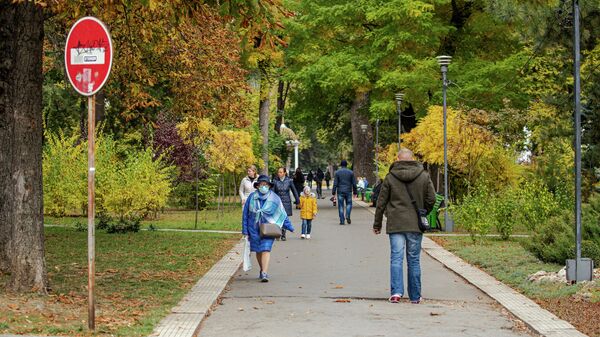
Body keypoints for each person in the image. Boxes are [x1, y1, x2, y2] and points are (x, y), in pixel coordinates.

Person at [373, 149, 436, 304]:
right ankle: (415, 296)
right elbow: (432, 198)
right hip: (415, 224)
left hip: (396, 223)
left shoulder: (390, 177)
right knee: (413, 259)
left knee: (396, 258)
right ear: (412, 158)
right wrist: (423, 211)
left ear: (397, 159)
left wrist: (377, 224)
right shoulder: (423, 176)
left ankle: (396, 293)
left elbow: (380, 203)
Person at [242, 175, 294, 282]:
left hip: (269, 229)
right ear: (257, 186)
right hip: (254, 229)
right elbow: (245, 215)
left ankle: (264, 273)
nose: (263, 187)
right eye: (261, 185)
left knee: (265, 249)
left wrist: (290, 227)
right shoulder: (251, 197)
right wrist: (245, 231)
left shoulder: (275, 198)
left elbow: (281, 214)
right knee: (258, 251)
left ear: (269, 186)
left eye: (266, 185)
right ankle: (262, 269)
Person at [271, 167, 300, 241]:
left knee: (284, 218)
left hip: (286, 202)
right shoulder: (275, 181)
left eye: (281, 172)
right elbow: (272, 192)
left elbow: (294, 191)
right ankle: (278, 232)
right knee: (277, 218)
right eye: (278, 172)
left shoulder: (289, 181)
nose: (279, 173)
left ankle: (283, 234)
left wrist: (298, 201)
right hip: (278, 202)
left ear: (284, 173)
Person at [332, 160, 357, 225]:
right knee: (349, 204)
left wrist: (333, 191)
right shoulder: (351, 172)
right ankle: (348, 215)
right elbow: (354, 183)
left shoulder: (337, 172)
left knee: (340, 206)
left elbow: (335, 183)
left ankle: (342, 220)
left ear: (341, 165)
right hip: (348, 191)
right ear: (346, 165)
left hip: (340, 191)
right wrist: (355, 192)